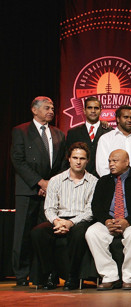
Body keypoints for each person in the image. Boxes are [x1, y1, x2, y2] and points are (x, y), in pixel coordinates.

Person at [11, 96, 66, 286]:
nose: (51, 111)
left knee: (43, 234)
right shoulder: (21, 131)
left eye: (52, 108)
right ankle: (21, 274)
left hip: (50, 192)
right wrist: (39, 182)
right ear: (34, 110)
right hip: (28, 190)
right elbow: (18, 160)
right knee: (23, 234)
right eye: (46, 107)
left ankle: (40, 274)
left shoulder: (59, 134)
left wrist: (50, 184)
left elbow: (61, 164)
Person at [30, 142, 97, 290]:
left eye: (82, 158)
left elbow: (90, 211)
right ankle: (50, 274)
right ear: (69, 159)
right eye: (75, 158)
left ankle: (72, 277)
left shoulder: (94, 182)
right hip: (59, 218)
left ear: (87, 161)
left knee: (79, 234)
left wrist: (71, 223)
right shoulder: (56, 180)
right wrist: (57, 221)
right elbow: (49, 207)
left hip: (80, 220)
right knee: (38, 232)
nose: (78, 162)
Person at [85, 149, 131, 290]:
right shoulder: (103, 181)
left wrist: (128, 221)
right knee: (92, 233)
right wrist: (107, 221)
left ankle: (128, 278)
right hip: (109, 221)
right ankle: (110, 276)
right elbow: (96, 207)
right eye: (109, 161)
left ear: (127, 162)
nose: (111, 164)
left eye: (115, 161)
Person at [95, 105, 131, 177]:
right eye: (126, 117)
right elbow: (101, 167)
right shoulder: (106, 139)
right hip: (111, 184)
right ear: (118, 119)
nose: (129, 120)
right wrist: (113, 183)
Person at [65, 96, 113, 177]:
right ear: (84, 110)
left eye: (96, 108)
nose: (93, 111)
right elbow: (67, 158)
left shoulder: (110, 132)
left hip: (104, 179)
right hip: (79, 179)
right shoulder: (73, 133)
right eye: (90, 108)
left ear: (101, 111)